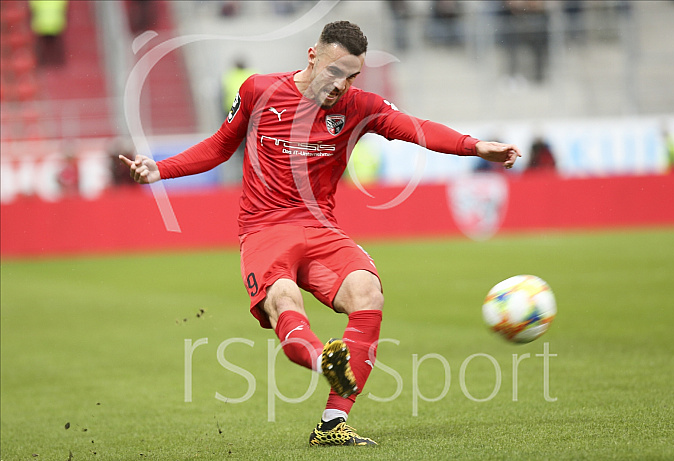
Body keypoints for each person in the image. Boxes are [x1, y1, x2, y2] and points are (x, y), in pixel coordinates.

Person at [120, 21, 520, 447]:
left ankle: (333, 424)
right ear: (313, 56)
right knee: (285, 304)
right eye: (335, 72)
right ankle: (323, 359)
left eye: (351, 76)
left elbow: (415, 128)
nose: (340, 85)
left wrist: (475, 146)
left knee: (368, 292)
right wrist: (161, 169)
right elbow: (220, 146)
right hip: (264, 230)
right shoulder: (259, 91)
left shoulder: (359, 106)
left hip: (321, 230)